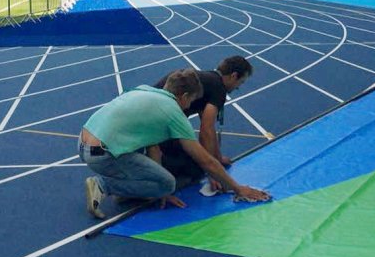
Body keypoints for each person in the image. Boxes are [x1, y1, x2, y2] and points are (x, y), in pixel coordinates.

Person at [80, 69, 270, 218]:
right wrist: (238, 188)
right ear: (184, 96)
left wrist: (156, 185)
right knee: (169, 184)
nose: (189, 107)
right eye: (191, 101)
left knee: (160, 180)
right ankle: (104, 185)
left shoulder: (144, 89)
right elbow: (205, 161)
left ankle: (127, 189)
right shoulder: (173, 111)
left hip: (83, 144)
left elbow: (154, 148)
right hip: (103, 154)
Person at [154, 56, 253, 191]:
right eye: (240, 83)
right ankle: (156, 184)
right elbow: (206, 131)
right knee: (196, 169)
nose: (238, 87)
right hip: (159, 126)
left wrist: (217, 157)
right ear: (233, 76)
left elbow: (208, 128)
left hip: (155, 119)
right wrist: (212, 173)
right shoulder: (218, 89)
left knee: (198, 158)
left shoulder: (208, 79)